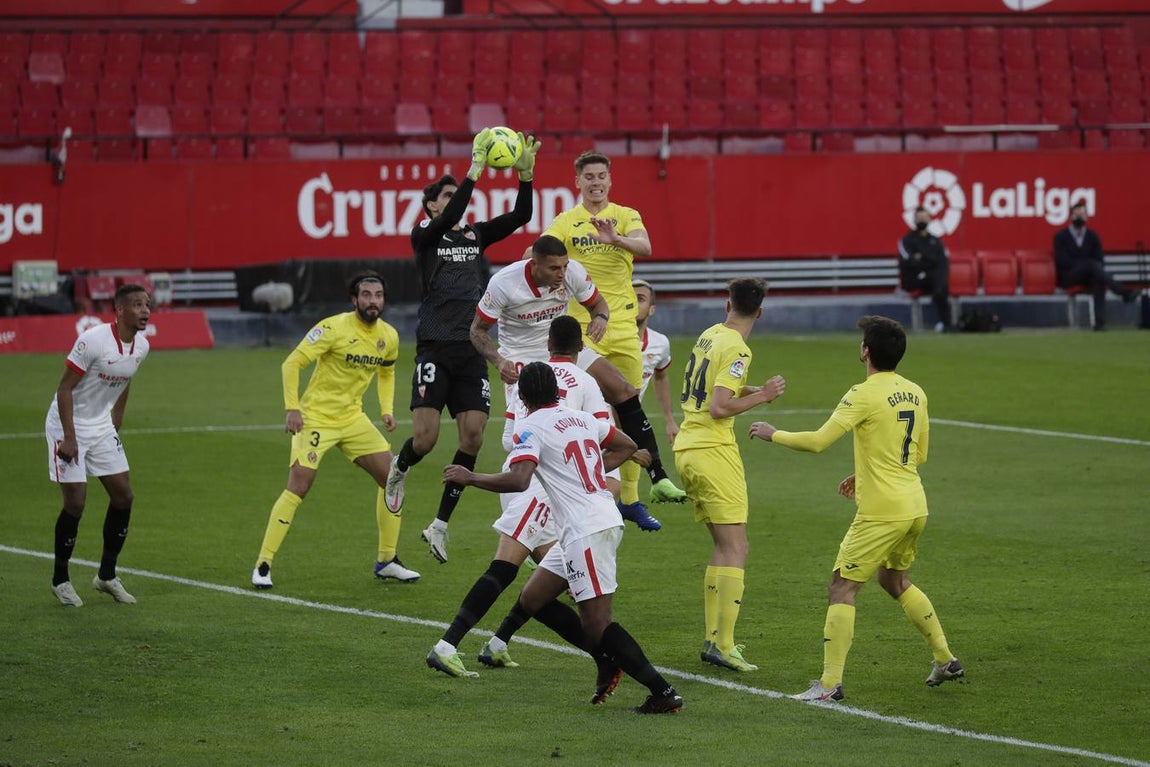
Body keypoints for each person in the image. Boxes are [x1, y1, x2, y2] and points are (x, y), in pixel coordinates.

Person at [440, 362, 683, 714]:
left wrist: (471, 477)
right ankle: (606, 661)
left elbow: (520, 479)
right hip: (589, 523)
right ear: (556, 391)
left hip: (587, 530)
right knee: (533, 598)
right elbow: (629, 444)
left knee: (597, 624)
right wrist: (594, 470)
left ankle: (662, 691)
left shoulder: (530, 427)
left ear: (522, 397)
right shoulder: (580, 417)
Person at [748, 315, 964, 702]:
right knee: (894, 580)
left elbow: (817, 441)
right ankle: (945, 658)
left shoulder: (862, 393)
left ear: (865, 351)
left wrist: (772, 433)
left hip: (881, 511)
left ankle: (829, 685)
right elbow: (919, 454)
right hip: (914, 504)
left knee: (842, 587)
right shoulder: (916, 392)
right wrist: (862, 472)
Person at [427, 316, 622, 677]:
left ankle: (499, 644)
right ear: (581, 347)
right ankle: (447, 645)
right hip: (543, 490)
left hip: (538, 485)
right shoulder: (586, 381)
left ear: (548, 344)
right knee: (506, 567)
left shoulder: (527, 379)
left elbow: (509, 440)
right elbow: (600, 436)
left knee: (548, 585)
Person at [384, 128, 540, 564]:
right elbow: (453, 208)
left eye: (456, 196)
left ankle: (439, 525)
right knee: (427, 439)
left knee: (472, 436)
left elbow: (520, 216)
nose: (455, 202)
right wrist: (473, 171)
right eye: (447, 197)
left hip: (472, 346)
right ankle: (400, 469)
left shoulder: (474, 236)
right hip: (434, 346)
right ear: (432, 206)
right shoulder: (425, 237)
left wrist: (525, 175)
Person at [478, 235, 668, 531]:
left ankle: (658, 473)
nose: (562, 274)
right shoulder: (504, 284)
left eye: (565, 266)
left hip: (564, 348)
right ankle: (530, 514)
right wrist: (499, 360)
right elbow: (476, 332)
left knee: (623, 390)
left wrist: (601, 318)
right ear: (535, 264)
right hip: (522, 359)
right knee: (523, 432)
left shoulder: (573, 272)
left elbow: (597, 304)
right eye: (554, 268)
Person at [251, 272, 419, 589]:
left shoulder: (389, 336)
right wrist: (292, 409)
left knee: (393, 479)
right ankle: (263, 563)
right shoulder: (332, 328)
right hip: (315, 418)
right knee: (299, 486)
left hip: (353, 419)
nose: (373, 301)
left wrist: (386, 410)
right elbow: (292, 363)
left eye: (378, 295)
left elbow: (387, 372)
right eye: (367, 295)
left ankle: (387, 560)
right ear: (354, 300)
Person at [539, 149, 686, 510]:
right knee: (580, 405)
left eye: (601, 176)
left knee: (629, 404)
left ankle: (636, 496)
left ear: (610, 179)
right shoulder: (566, 220)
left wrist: (616, 239)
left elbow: (646, 246)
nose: (595, 182)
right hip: (582, 328)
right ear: (578, 182)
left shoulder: (624, 215)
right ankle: (571, 480)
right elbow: (540, 249)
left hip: (622, 325)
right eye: (588, 177)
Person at [672, 278, 786, 672]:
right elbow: (720, 407)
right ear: (760, 312)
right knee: (737, 548)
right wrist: (763, 396)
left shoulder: (710, 335)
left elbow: (710, 384)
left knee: (723, 547)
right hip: (712, 450)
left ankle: (713, 639)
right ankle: (725, 644)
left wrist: (749, 387)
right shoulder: (738, 347)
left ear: (727, 305)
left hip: (687, 447)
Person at [47, 283, 152, 607]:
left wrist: (116, 417)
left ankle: (106, 576)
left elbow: (127, 376)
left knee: (124, 495)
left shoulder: (142, 346)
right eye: (137, 305)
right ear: (120, 310)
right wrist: (70, 437)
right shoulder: (93, 340)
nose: (145, 310)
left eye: (147, 305)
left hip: (102, 426)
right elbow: (65, 390)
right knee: (76, 503)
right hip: (67, 424)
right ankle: (60, 580)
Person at [619, 279, 678, 527]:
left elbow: (661, 377)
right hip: (597, 416)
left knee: (632, 448)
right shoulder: (609, 338)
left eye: (641, 299)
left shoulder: (659, 343)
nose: (635, 303)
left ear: (651, 309)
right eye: (630, 298)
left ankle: (630, 503)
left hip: (629, 417)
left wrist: (670, 420)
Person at [1053, 200, 1137, 331]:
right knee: (1092, 266)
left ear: (1087, 217)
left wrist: (1089, 267)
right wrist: (1085, 265)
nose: (1079, 218)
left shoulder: (1092, 236)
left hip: (1090, 275)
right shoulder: (1061, 237)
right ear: (1070, 217)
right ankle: (1123, 292)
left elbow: (1100, 259)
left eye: (1082, 215)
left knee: (1098, 280)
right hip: (1069, 276)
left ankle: (1100, 324)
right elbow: (1063, 261)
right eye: (1077, 215)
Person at [898, 206, 952, 332]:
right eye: (919, 218)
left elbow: (942, 260)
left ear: (929, 219)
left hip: (932, 279)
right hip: (915, 279)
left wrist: (922, 257)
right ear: (914, 220)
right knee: (940, 282)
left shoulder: (935, 240)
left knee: (940, 277)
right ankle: (947, 323)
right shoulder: (907, 240)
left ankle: (946, 325)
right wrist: (929, 259)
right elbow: (909, 261)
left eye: (924, 217)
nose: (922, 220)